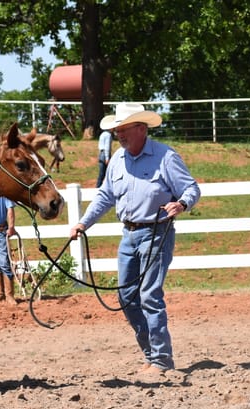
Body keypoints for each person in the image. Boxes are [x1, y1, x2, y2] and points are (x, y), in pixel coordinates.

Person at [69, 103, 201, 376]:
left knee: (149, 294)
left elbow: (191, 188)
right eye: (117, 130)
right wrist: (84, 223)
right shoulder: (117, 159)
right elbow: (105, 195)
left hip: (156, 233)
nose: (119, 134)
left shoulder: (166, 157)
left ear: (141, 129)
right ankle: (151, 353)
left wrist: (182, 204)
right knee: (127, 297)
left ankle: (161, 359)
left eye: (123, 129)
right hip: (128, 235)